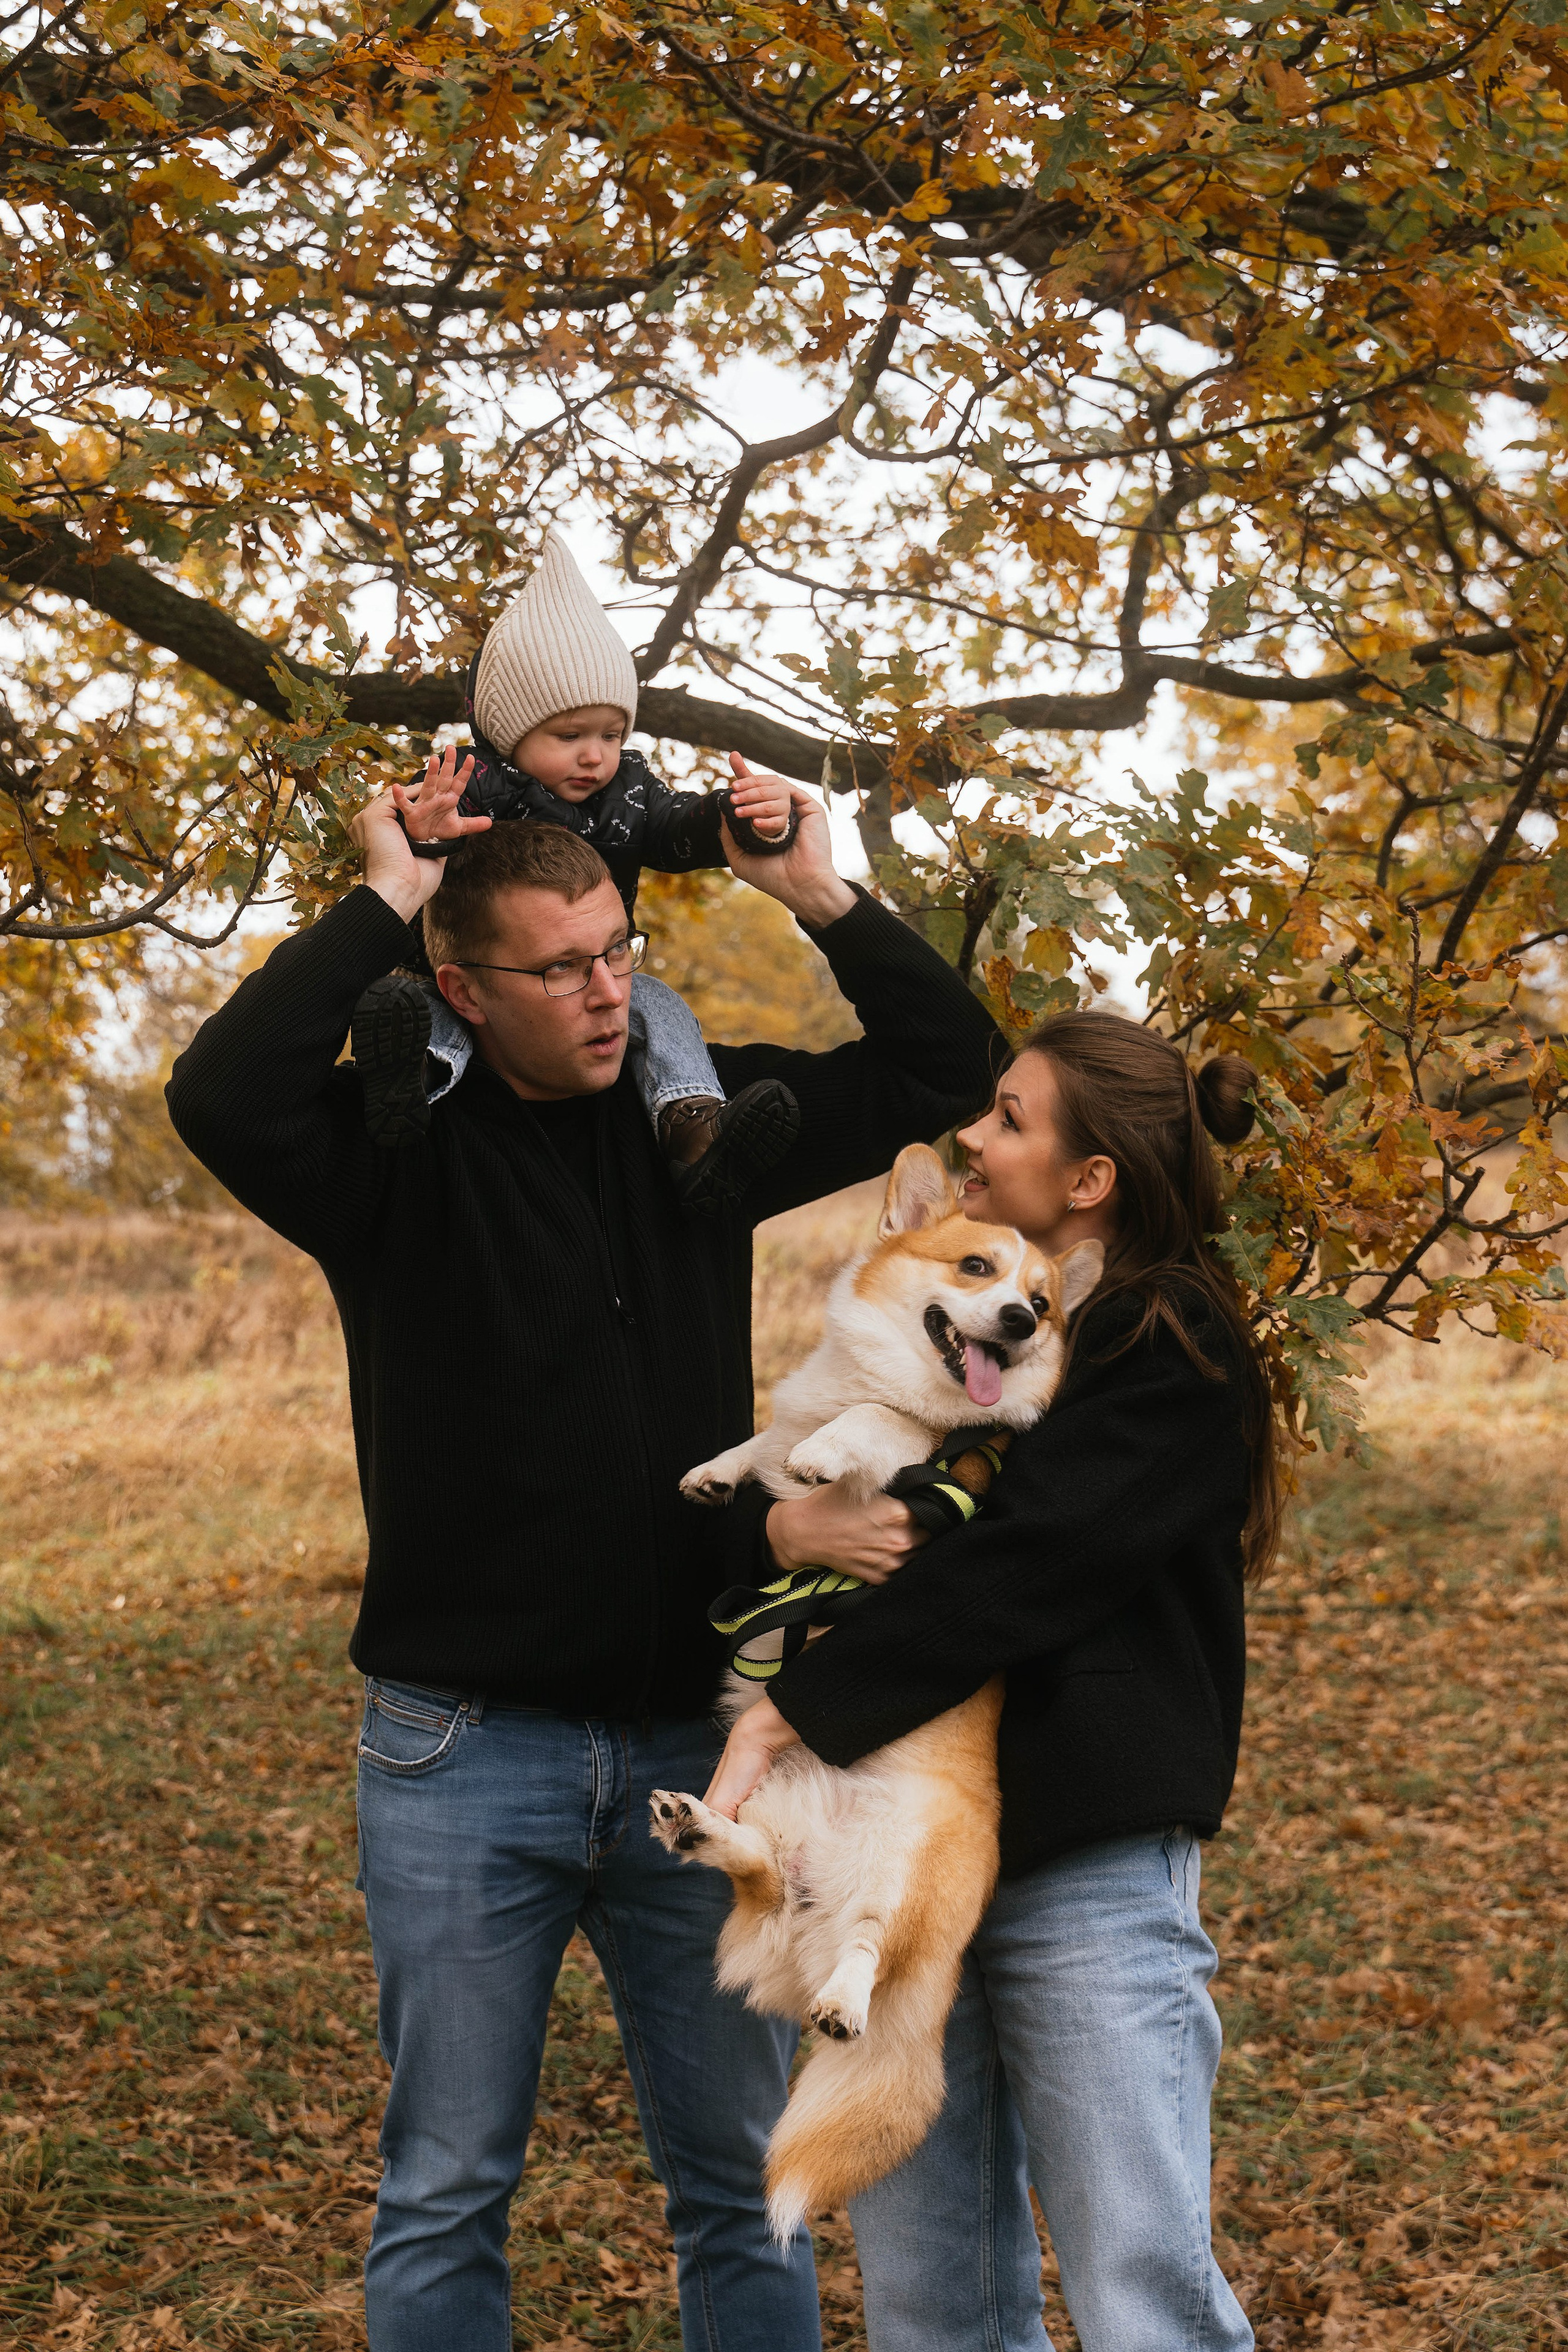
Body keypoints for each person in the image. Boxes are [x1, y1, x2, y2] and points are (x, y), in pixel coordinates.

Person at [164, 774, 1004, 2352]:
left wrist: (813, 892)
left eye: (618, 950)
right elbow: (218, 1093)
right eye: (558, 969)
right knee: (445, 2187)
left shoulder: (702, 1126)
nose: (607, 991)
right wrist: (384, 895)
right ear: (461, 989)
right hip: (461, 1751)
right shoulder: (387, 1151)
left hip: (699, 1747)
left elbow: (945, 1066)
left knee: (734, 2183)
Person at [703, 1012, 1281, 2352]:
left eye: (1009, 1118)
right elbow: (854, 1510)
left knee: (1138, 2289)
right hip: (912, 1848)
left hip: (1082, 1864)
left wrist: (794, 1709)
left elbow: (1026, 1563)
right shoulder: (972, 1332)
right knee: (931, 2299)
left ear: (1090, 1179)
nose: (973, 1133)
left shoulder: (1166, 1335)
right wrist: (782, 1531)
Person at [352, 529, 802, 1215]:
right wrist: (425, 827)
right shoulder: (477, 784)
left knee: (658, 1004)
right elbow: (427, 827)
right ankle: (406, 1083)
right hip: (460, 970)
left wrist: (742, 817)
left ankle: (693, 1127)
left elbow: (678, 828)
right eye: (569, 736)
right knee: (429, 1009)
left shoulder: (630, 790)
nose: (595, 756)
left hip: (584, 972)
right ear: (510, 732)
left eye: (611, 734)